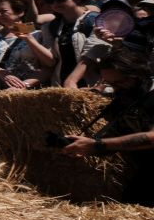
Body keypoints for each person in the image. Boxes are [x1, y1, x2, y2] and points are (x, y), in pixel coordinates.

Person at [60, 43, 154, 205]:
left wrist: (97, 146)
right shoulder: (128, 95)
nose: (115, 89)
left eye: (119, 83)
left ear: (137, 75)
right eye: (111, 84)